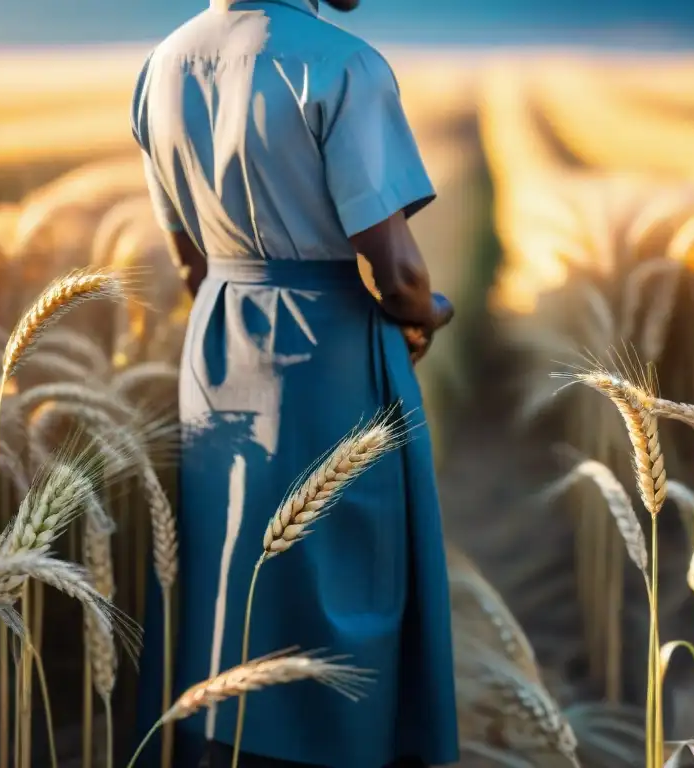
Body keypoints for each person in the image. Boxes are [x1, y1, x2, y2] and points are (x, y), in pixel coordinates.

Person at [129, 1, 458, 766]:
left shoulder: (162, 66)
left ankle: (227, 743)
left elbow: (189, 261)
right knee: (346, 583)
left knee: (229, 566)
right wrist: (428, 314)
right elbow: (399, 272)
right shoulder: (341, 63)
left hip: (216, 345)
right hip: (331, 348)